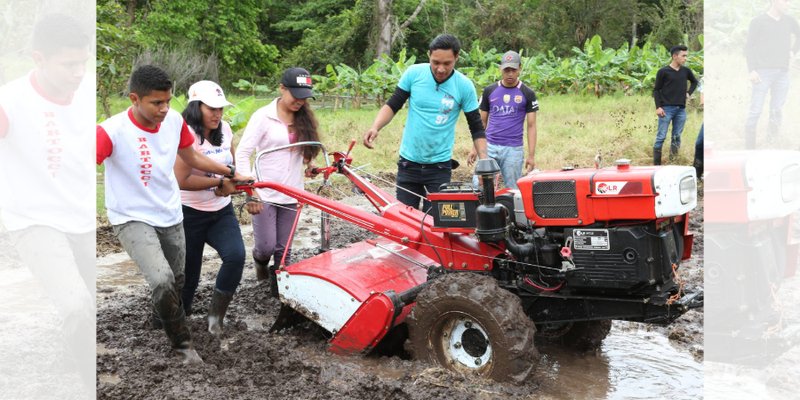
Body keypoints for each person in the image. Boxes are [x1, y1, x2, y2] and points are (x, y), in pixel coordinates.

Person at [96, 65, 248, 363]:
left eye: (168, 101)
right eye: (156, 103)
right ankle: (182, 344)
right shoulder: (110, 131)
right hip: (130, 215)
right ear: (134, 99)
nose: (164, 109)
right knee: (163, 278)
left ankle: (160, 319)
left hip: (169, 210)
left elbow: (190, 156)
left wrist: (231, 172)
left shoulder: (174, 120)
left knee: (177, 279)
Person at [0, 13, 95, 393]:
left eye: (83, 61)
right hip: (33, 218)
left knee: (87, 306)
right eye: (69, 64)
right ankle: (89, 384)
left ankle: (73, 345)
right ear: (39, 58)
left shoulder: (87, 91)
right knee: (75, 306)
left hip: (83, 217)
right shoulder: (10, 101)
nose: (78, 72)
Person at [362, 34, 488, 211]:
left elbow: (476, 126)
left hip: (439, 167)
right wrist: (375, 127)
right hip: (408, 164)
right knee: (405, 222)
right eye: (436, 62)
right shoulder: (414, 74)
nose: (441, 69)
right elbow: (393, 104)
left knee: (434, 223)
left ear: (457, 57)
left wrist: (484, 162)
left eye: (447, 63)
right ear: (429, 55)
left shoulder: (464, 86)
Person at [235, 67, 320, 294]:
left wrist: (310, 165)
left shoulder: (304, 119)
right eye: (296, 96)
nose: (300, 102)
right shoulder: (263, 117)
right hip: (265, 192)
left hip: (293, 192)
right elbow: (243, 154)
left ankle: (281, 292)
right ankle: (260, 262)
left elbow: (304, 151)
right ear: (282, 88)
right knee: (266, 246)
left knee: (284, 250)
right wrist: (250, 191)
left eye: (304, 97)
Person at [175, 80, 245, 337]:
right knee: (188, 276)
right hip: (188, 213)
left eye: (221, 108)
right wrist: (218, 182)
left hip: (220, 212)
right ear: (196, 107)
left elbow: (234, 167)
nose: (218, 114)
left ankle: (216, 318)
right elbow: (181, 180)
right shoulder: (186, 136)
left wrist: (243, 186)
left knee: (236, 257)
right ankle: (176, 318)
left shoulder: (225, 129)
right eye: (211, 108)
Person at [468, 50, 539, 189]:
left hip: (513, 149)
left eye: (513, 70)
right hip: (489, 147)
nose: (510, 74)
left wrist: (531, 156)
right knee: (479, 185)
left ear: (519, 68)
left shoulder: (528, 93)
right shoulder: (489, 91)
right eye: (507, 70)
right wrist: (474, 149)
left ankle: (509, 211)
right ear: (501, 69)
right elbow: (481, 122)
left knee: (513, 190)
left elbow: (531, 126)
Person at [744, 0, 800, 149]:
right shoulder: (758, 21)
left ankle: (771, 144)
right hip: (762, 73)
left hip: (783, 73)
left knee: (776, 111)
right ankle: (749, 149)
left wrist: (793, 51)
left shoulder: (789, 21)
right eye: (785, 1)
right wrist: (752, 70)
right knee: (755, 111)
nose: (788, 4)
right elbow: (749, 47)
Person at [652, 45, 698, 165]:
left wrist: (688, 93)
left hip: (681, 110)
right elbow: (656, 90)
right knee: (661, 137)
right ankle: (656, 165)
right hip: (666, 109)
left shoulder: (686, 71)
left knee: (676, 137)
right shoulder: (663, 72)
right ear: (674, 56)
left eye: (686, 56)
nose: (685, 58)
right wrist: (658, 107)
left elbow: (694, 82)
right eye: (683, 56)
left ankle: (673, 162)